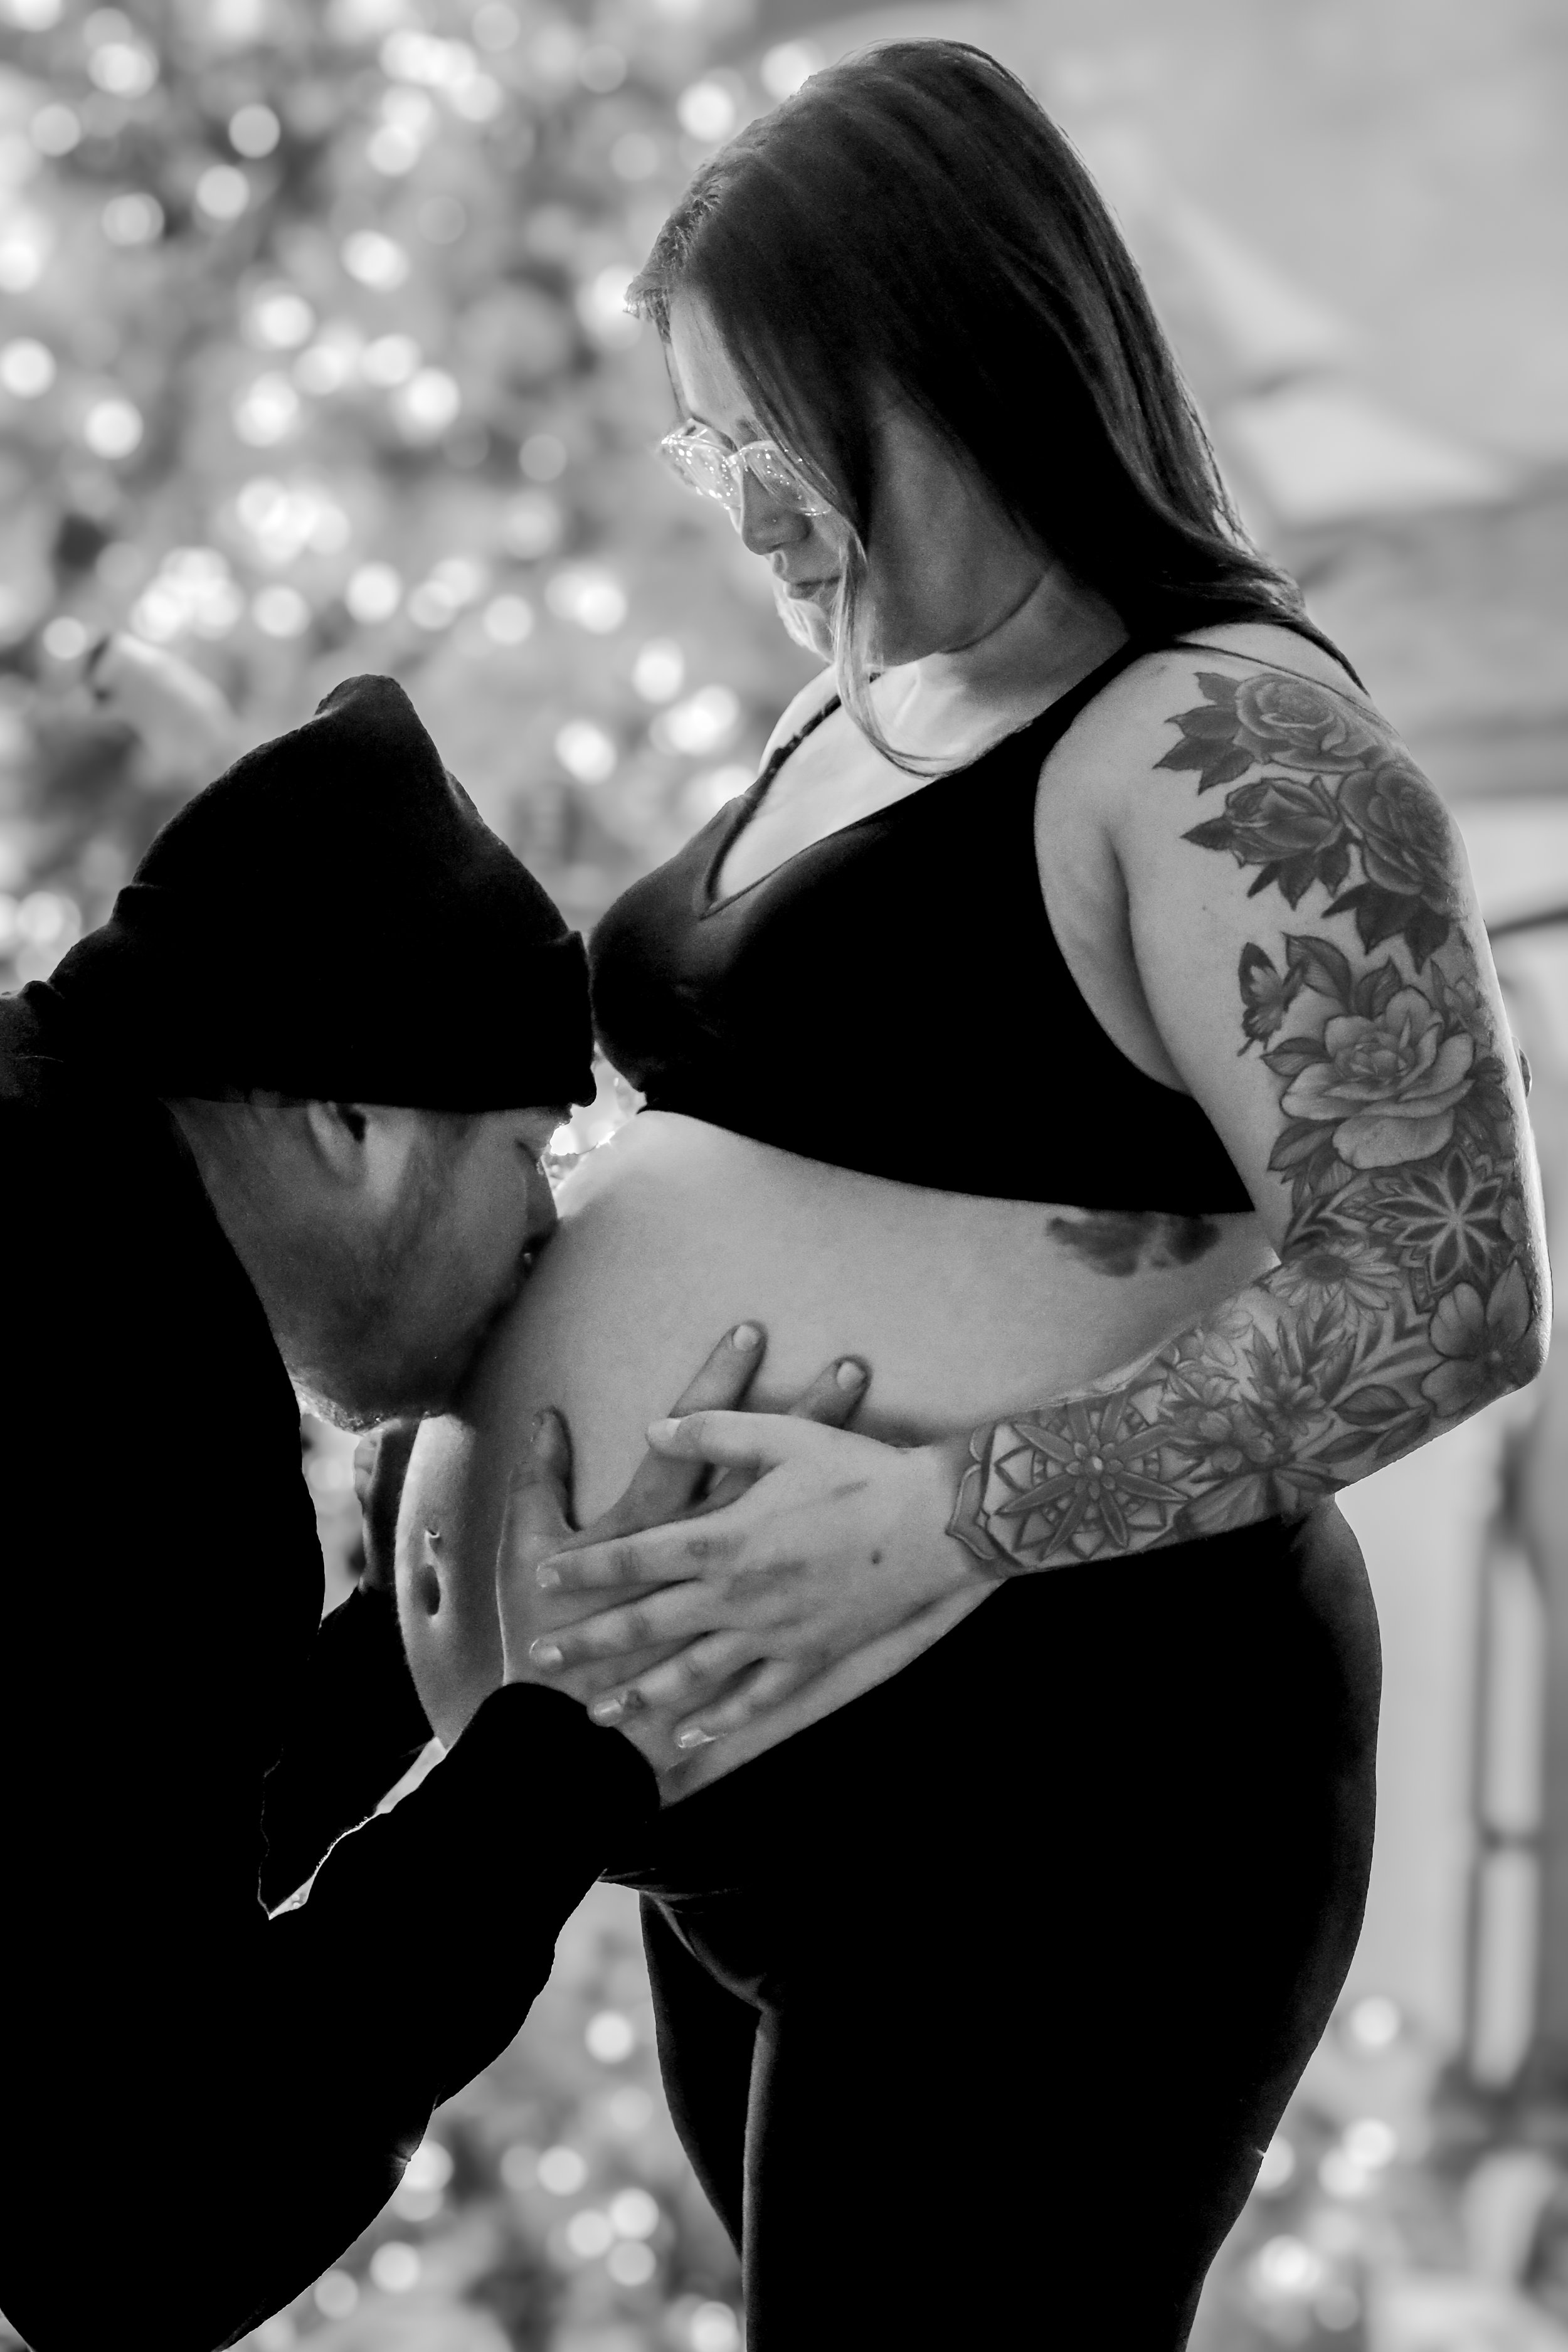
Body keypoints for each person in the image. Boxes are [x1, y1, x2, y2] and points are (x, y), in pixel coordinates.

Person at [393, 42, 1548, 2351]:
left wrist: (945, 1515)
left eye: (763, 436)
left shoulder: (1229, 746)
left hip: (1081, 1814)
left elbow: (1448, 1286)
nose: (733, 510)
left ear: (951, 352)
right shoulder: (867, 699)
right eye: (694, 444)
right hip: (771, 1807)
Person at [0, 672, 852, 2352]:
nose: (546, 1229)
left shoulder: (60, 1219)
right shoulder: (129, 1396)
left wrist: (417, 1655)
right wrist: (568, 1755)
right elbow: (128, 2228)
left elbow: (81, 1890)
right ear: (347, 1117)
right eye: (528, 1150)